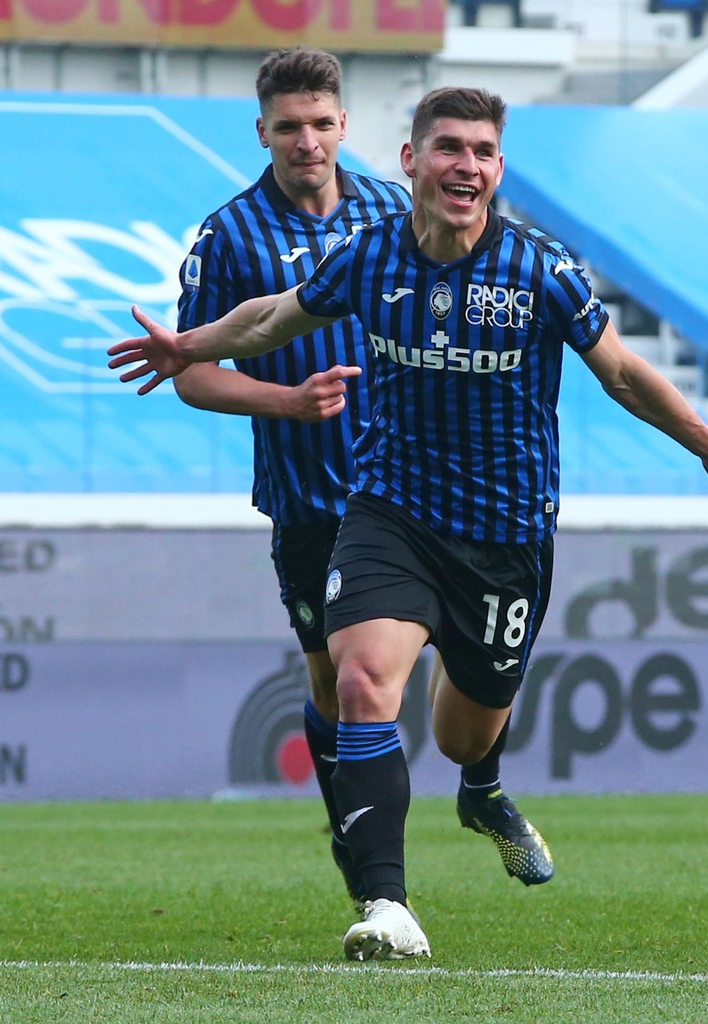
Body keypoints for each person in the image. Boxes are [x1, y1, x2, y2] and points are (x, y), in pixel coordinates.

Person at [110, 86, 708, 960]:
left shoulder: (541, 269)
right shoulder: (369, 254)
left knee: (464, 731)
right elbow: (275, 317)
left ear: (498, 170)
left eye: (482, 152)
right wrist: (188, 346)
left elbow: (620, 372)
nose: (465, 165)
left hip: (503, 537)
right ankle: (387, 907)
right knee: (358, 684)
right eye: (449, 148)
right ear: (412, 161)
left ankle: (481, 789)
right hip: (388, 510)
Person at [171, 50, 553, 904]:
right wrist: (288, 402)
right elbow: (193, 370)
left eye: (320, 124)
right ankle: (371, 868)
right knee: (340, 690)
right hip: (313, 498)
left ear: (345, 125)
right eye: (287, 127)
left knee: (467, 685)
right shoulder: (228, 235)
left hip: (429, 497)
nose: (306, 142)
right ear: (261, 132)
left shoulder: (397, 207)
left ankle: (479, 788)